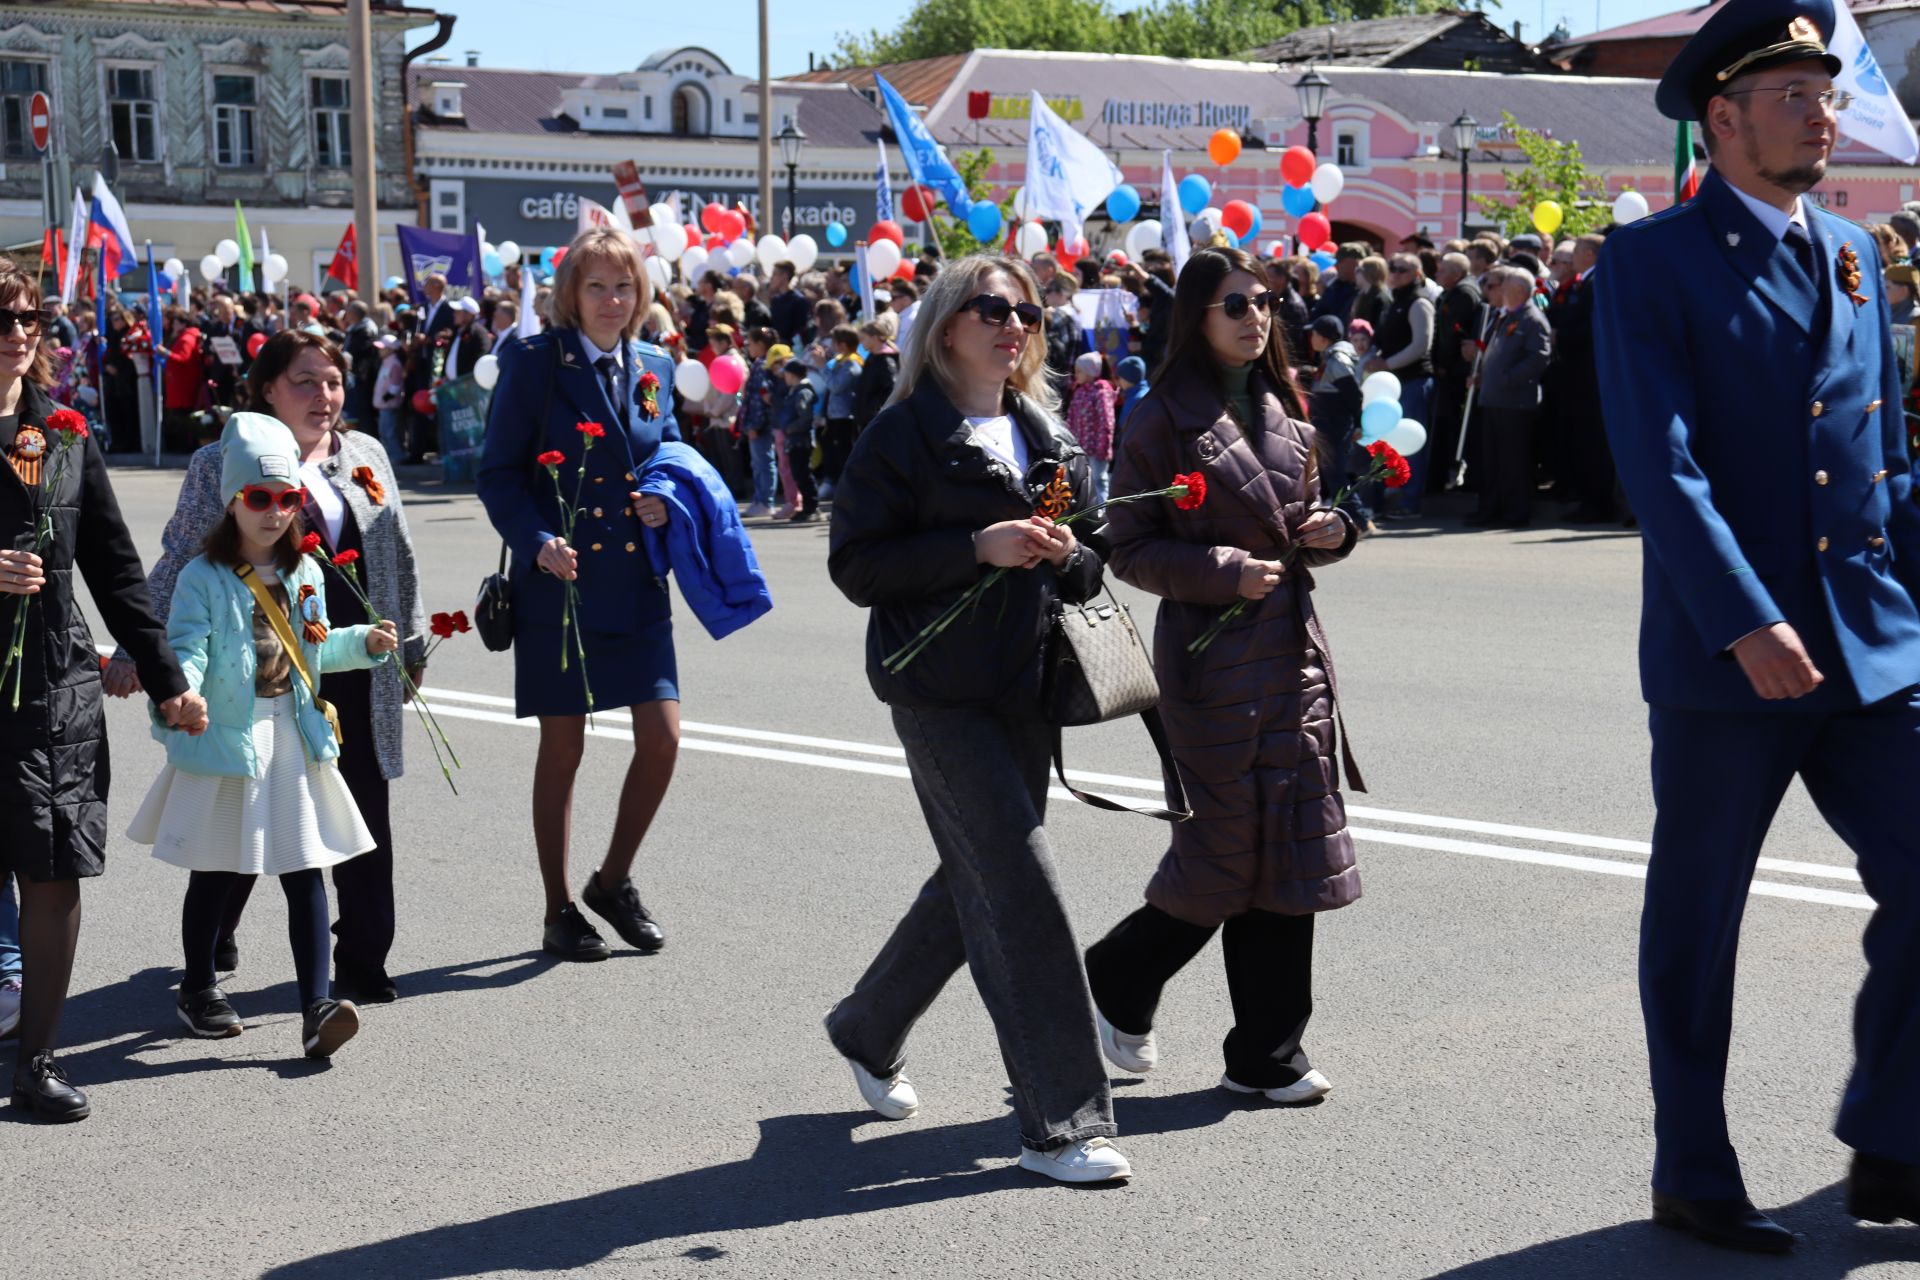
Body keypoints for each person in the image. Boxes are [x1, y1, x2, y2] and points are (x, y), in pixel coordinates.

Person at [1596, 0, 1920, 1251]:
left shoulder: (1850, 250)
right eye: (1791, 93)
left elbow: (1883, 463)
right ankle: (1693, 1164)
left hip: (1874, 642)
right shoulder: (1653, 261)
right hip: (1734, 657)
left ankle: (1892, 1137)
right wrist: (1745, 620)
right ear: (1721, 120)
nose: (1820, 111)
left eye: (1825, 93)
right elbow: (1660, 466)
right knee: (1699, 914)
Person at [825, 252, 1131, 1185]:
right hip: (938, 691)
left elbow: (1091, 559)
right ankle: (1061, 1123)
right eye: (994, 307)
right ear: (948, 323)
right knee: (1021, 882)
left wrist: (1072, 550)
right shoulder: (902, 434)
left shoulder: (1042, 431)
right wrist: (975, 547)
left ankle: (866, 1027)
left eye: (1028, 314)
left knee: (979, 877)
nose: (1015, 325)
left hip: (1023, 685)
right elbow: (858, 568)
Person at [1081, 245, 1361, 1114]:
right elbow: (1126, 546)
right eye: (1235, 304)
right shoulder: (1161, 415)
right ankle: (1118, 973)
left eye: (1265, 301)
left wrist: (1335, 530)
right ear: (1197, 316)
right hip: (1209, 661)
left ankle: (1267, 1052)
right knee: (1221, 853)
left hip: (1292, 654)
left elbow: (1318, 510)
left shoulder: (1288, 405)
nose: (1255, 316)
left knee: (1293, 854)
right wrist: (1224, 568)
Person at [107, 329, 427, 1002]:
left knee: (362, 804)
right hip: (257, 668)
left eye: (334, 380)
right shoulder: (220, 463)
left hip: (349, 654)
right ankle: (215, 930)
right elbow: (180, 556)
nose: (325, 394)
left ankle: (363, 956)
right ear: (267, 390)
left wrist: (411, 639)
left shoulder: (364, 452)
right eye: (306, 381)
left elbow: (397, 552)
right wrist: (145, 650)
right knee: (252, 806)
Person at [0, 256, 207, 1119]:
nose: (17, 335)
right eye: (0, 319)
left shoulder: (68, 438)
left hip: (52, 689)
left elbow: (118, 573)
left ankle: (37, 1059)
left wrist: (166, 681)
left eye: (30, 319)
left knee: (53, 875)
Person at [129, 412, 395, 1057]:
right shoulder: (203, 575)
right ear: (232, 502)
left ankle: (317, 1007)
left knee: (305, 870)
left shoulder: (305, 571)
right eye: (259, 498)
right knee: (217, 872)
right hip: (229, 740)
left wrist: (365, 642)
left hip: (292, 738)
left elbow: (316, 649)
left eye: (287, 499)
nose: (275, 512)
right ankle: (198, 986)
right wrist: (181, 691)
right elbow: (187, 648)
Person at [477, 227, 683, 963]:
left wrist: (665, 497)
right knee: (563, 748)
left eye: (623, 287)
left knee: (662, 738)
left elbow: (670, 456)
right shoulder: (534, 364)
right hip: (557, 584)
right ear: (571, 294)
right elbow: (496, 473)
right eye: (596, 286)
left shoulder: (654, 363)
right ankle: (558, 906)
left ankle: (614, 880)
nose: (611, 300)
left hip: (635, 584)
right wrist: (536, 541)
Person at [1466, 266, 1552, 528]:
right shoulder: (1506, 316)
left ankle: (1515, 512)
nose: (1500, 291)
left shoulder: (1532, 319)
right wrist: (1484, 378)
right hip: (1494, 399)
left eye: (1505, 287)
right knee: (1493, 460)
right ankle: (1491, 509)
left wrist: (1505, 379)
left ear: (1519, 291)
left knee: (1513, 462)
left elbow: (1539, 357)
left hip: (1515, 402)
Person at [1366, 254, 1436, 518]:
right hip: (1392, 383)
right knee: (1388, 442)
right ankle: (1390, 496)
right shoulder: (1394, 301)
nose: (1394, 273)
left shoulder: (1419, 303)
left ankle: (1409, 501)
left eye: (1401, 270)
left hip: (1413, 380)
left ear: (1416, 274)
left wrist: (1388, 363)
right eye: (1391, 268)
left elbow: (1421, 345)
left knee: (1410, 443)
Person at [1429, 252, 1486, 493]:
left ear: (1457, 273)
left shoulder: (1464, 293)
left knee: (1453, 423)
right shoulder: (1450, 292)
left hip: (1456, 370)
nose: (1437, 274)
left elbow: (1454, 331)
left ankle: (1455, 471)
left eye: (1443, 270)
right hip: (1449, 369)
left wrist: (1443, 363)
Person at [1306, 314, 1368, 531]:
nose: (1311, 337)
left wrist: (1359, 423)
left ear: (1323, 337)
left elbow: (1354, 396)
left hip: (1334, 427)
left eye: (1314, 333)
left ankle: (1360, 521)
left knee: (1336, 475)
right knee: (1331, 474)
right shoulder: (1329, 358)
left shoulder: (1337, 361)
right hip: (1328, 426)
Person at [817, 325, 862, 498]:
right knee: (833, 453)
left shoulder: (852, 363)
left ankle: (849, 491)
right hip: (834, 416)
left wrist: (822, 366)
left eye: (834, 343)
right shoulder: (840, 361)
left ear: (842, 345)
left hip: (845, 417)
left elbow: (835, 386)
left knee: (845, 454)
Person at [1065, 350, 1116, 504]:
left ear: (1090, 372)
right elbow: (1071, 418)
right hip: (1080, 447)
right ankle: (1090, 512)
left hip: (1096, 448)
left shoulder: (1101, 392)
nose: (1076, 374)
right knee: (1084, 481)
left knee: (1099, 480)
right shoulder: (1079, 392)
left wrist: (1104, 446)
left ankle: (1104, 512)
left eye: (1079, 371)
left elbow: (1106, 421)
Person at [774, 356, 819, 521]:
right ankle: (808, 507)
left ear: (792, 375)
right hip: (794, 440)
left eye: (786, 374)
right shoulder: (795, 391)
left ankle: (810, 508)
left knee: (803, 474)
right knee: (798, 474)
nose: (785, 378)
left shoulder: (802, 392)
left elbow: (805, 416)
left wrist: (790, 428)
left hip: (801, 441)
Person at [852, 313, 899, 440]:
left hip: (876, 418)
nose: (861, 344)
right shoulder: (871, 358)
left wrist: (876, 409)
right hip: (866, 417)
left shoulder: (886, 360)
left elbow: (891, 389)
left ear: (875, 337)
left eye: (863, 339)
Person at [1113, 353, 1149, 445]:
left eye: (1119, 377)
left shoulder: (1136, 399)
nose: (1118, 382)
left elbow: (1126, 427)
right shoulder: (1144, 393)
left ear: (1127, 378)